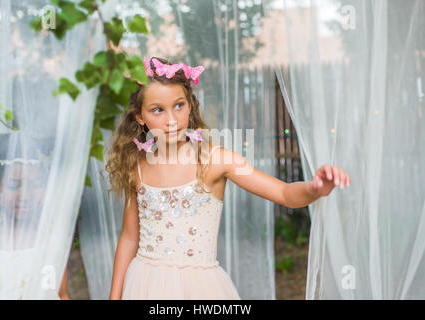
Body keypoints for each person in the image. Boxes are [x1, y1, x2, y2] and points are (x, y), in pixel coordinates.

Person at [107, 57, 351, 300]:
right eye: (158, 110)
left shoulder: (216, 160)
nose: (171, 119)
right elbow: (129, 237)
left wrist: (315, 188)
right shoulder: (136, 167)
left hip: (198, 288)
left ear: (190, 105)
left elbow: (285, 194)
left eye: (179, 105)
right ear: (140, 117)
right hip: (143, 285)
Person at [0, 133, 69, 299]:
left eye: (35, 184)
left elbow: (61, 294)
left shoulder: (51, 243)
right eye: (13, 185)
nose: (25, 195)